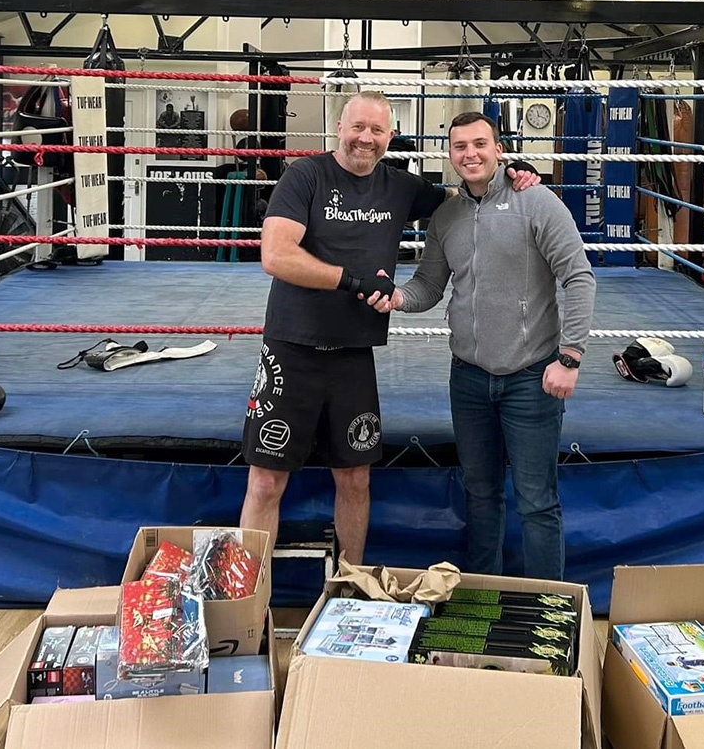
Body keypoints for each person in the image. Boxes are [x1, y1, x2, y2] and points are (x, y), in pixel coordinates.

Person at [239, 92, 540, 562]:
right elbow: (275, 255)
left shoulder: (401, 187)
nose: (366, 138)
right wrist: (350, 281)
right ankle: (246, 600)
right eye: (358, 127)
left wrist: (512, 173)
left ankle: (349, 586)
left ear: (389, 137)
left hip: (354, 354)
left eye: (377, 130)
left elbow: (467, 192)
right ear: (339, 127)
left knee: (356, 477)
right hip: (290, 349)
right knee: (265, 479)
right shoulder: (306, 175)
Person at [371, 111, 596, 580]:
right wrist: (396, 297)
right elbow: (430, 285)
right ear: (449, 154)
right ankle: (483, 598)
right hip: (469, 377)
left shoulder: (536, 201)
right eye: (460, 147)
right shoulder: (446, 215)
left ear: (498, 149)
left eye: (479, 144)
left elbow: (578, 278)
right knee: (480, 493)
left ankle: (548, 611)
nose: (470, 154)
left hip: (532, 377)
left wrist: (570, 356)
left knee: (537, 502)